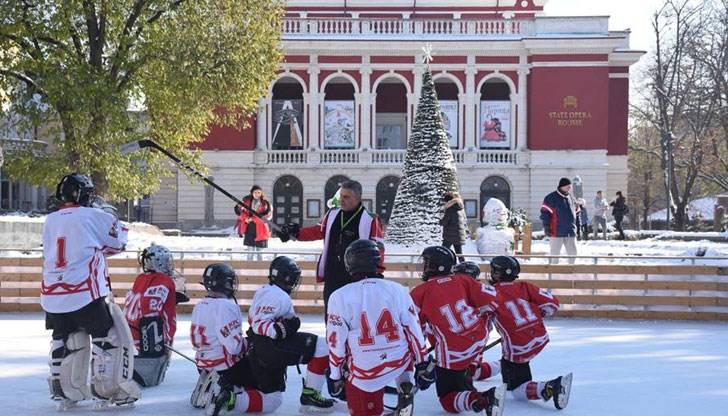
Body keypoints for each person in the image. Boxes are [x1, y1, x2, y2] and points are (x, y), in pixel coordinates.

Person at [41, 173, 140, 409]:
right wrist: (107, 214)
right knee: (109, 336)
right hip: (84, 291)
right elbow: (119, 242)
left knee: (64, 338)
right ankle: (108, 390)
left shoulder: (51, 220)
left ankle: (63, 390)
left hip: (53, 294)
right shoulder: (94, 215)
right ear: (86, 194)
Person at [326, 239, 435, 416]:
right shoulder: (398, 289)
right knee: (403, 348)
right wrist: (422, 363)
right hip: (398, 359)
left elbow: (336, 343)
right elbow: (413, 330)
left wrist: (335, 376)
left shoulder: (339, 296)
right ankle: (404, 385)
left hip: (365, 370)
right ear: (377, 261)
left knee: (365, 409)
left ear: (349, 264)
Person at [409, 246, 506, 416]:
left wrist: (420, 361)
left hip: (454, 349)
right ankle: (469, 376)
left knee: (447, 399)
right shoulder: (463, 280)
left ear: (435, 267)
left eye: (426, 263)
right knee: (463, 357)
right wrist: (482, 312)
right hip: (478, 338)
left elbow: (414, 331)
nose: (423, 267)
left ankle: (483, 398)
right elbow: (494, 298)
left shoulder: (419, 293)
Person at [242, 256, 337, 414]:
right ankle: (311, 395)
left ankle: (231, 399)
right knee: (323, 346)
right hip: (268, 347)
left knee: (273, 400)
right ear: (287, 277)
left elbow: (254, 322)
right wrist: (286, 327)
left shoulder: (265, 290)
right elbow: (261, 325)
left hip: (258, 348)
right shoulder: (278, 296)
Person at [277, 180, 384, 315]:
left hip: (356, 277)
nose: (342, 200)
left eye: (346, 197)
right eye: (341, 196)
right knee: (332, 312)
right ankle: (331, 335)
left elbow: (378, 248)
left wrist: (377, 271)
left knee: (354, 314)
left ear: (358, 198)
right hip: (332, 273)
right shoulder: (332, 214)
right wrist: (296, 233)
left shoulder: (369, 219)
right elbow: (317, 231)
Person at [190, 263, 283, 415]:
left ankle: (218, 387)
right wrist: (251, 344)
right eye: (229, 281)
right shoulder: (226, 306)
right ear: (222, 283)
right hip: (226, 367)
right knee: (274, 396)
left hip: (202, 365)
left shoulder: (200, 305)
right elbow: (234, 347)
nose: (231, 284)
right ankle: (228, 395)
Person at [487, 256, 572, 410]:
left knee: (515, 389)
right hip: (539, 337)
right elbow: (552, 304)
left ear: (496, 273)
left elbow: (482, 323)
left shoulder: (490, 293)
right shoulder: (525, 287)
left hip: (518, 345)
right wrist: (535, 315)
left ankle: (550, 387)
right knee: (519, 363)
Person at [124, 244, 188, 387]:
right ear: (158, 262)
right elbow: (149, 306)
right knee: (154, 373)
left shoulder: (140, 278)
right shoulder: (164, 280)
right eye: (166, 261)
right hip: (147, 335)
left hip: (131, 329)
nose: (169, 264)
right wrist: (154, 336)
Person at [540, 178, 579, 264]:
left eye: (570, 186)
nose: (570, 188)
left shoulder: (571, 198)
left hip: (570, 232)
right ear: (563, 186)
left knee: (573, 253)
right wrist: (546, 227)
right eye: (568, 186)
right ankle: (553, 273)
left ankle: (571, 272)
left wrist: (578, 228)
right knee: (554, 255)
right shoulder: (550, 198)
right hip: (556, 232)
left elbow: (577, 213)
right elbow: (545, 214)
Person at [234, 185, 272, 262]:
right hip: (249, 229)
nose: (257, 194)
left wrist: (252, 219)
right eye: (255, 192)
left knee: (259, 253)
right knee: (250, 252)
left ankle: (260, 269)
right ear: (252, 193)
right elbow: (241, 213)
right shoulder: (246, 202)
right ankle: (248, 268)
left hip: (261, 229)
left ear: (261, 193)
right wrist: (245, 219)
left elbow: (267, 216)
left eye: (259, 192)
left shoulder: (266, 204)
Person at [440, 192, 468, 263]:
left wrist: (440, 221)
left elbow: (444, 222)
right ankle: (463, 267)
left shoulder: (450, 210)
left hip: (450, 235)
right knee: (459, 253)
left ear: (448, 202)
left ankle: (443, 265)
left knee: (443, 251)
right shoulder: (459, 209)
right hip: (458, 234)